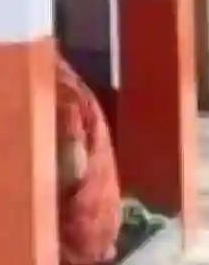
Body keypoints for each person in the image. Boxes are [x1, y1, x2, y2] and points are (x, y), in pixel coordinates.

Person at [57, 55, 123, 265]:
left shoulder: (57, 88)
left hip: (77, 238)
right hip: (98, 231)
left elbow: (73, 166)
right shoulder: (64, 80)